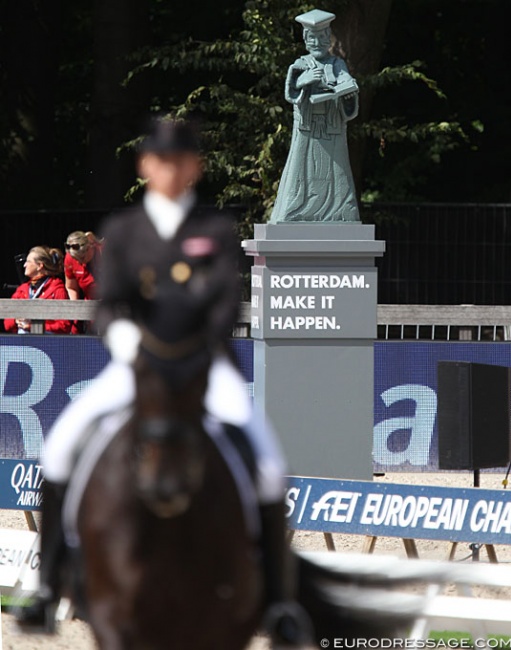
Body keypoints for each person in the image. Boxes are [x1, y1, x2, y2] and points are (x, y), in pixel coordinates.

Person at [16, 116, 309, 645]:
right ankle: (46, 587)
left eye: (181, 161)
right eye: (161, 161)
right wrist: (131, 342)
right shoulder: (126, 231)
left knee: (268, 464)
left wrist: (195, 352)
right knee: (58, 449)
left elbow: (225, 306)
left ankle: (280, 601)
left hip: (204, 367)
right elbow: (109, 306)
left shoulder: (214, 230)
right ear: (146, 166)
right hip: (138, 365)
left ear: (194, 168)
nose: (171, 170)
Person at [269, 8, 360, 223]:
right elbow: (291, 92)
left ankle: (340, 211)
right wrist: (304, 80)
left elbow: (346, 86)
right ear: (305, 40)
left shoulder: (337, 64)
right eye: (312, 38)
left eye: (322, 37)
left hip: (331, 127)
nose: (317, 42)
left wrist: (348, 94)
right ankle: (296, 210)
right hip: (307, 128)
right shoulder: (300, 65)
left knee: (336, 170)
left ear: (329, 39)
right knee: (302, 169)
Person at [3, 246, 71, 335]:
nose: (24, 265)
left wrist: (33, 327)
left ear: (39, 266)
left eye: (28, 261)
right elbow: (7, 324)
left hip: (49, 343)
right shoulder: (22, 290)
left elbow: (64, 326)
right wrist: (16, 320)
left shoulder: (57, 290)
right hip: (23, 344)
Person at [64, 230, 103, 333]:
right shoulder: (69, 258)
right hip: (89, 310)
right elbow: (71, 287)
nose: (79, 262)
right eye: (75, 259)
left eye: (82, 257)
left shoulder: (104, 251)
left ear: (90, 247)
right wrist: (76, 308)